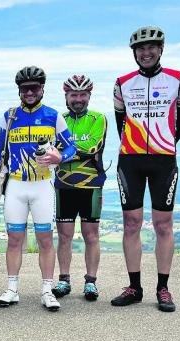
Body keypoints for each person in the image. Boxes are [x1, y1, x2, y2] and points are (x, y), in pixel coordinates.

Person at [111, 26, 180, 312]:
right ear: (134, 53)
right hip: (130, 161)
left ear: (161, 49)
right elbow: (121, 121)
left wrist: (164, 143)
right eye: (140, 49)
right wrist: (136, 146)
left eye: (151, 48)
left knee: (163, 225)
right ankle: (134, 286)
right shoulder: (122, 83)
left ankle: (163, 288)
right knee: (131, 224)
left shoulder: (178, 79)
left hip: (163, 161)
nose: (146, 53)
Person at [0, 66, 76, 311]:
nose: (29, 92)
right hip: (15, 185)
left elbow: (71, 147)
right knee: (14, 239)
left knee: (45, 239)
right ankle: (12, 289)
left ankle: (47, 290)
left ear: (42, 89)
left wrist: (60, 158)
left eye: (34, 88)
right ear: (19, 91)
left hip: (42, 185)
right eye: (25, 89)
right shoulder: (10, 116)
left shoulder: (52, 115)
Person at [52, 75, 107, 301]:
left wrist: (64, 151)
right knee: (64, 236)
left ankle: (91, 282)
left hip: (91, 185)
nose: (78, 99)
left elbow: (93, 146)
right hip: (63, 185)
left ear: (89, 96)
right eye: (73, 95)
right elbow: (49, 148)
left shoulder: (98, 118)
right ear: (66, 96)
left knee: (90, 235)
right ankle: (64, 280)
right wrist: (71, 150)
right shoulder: (59, 119)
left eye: (83, 94)